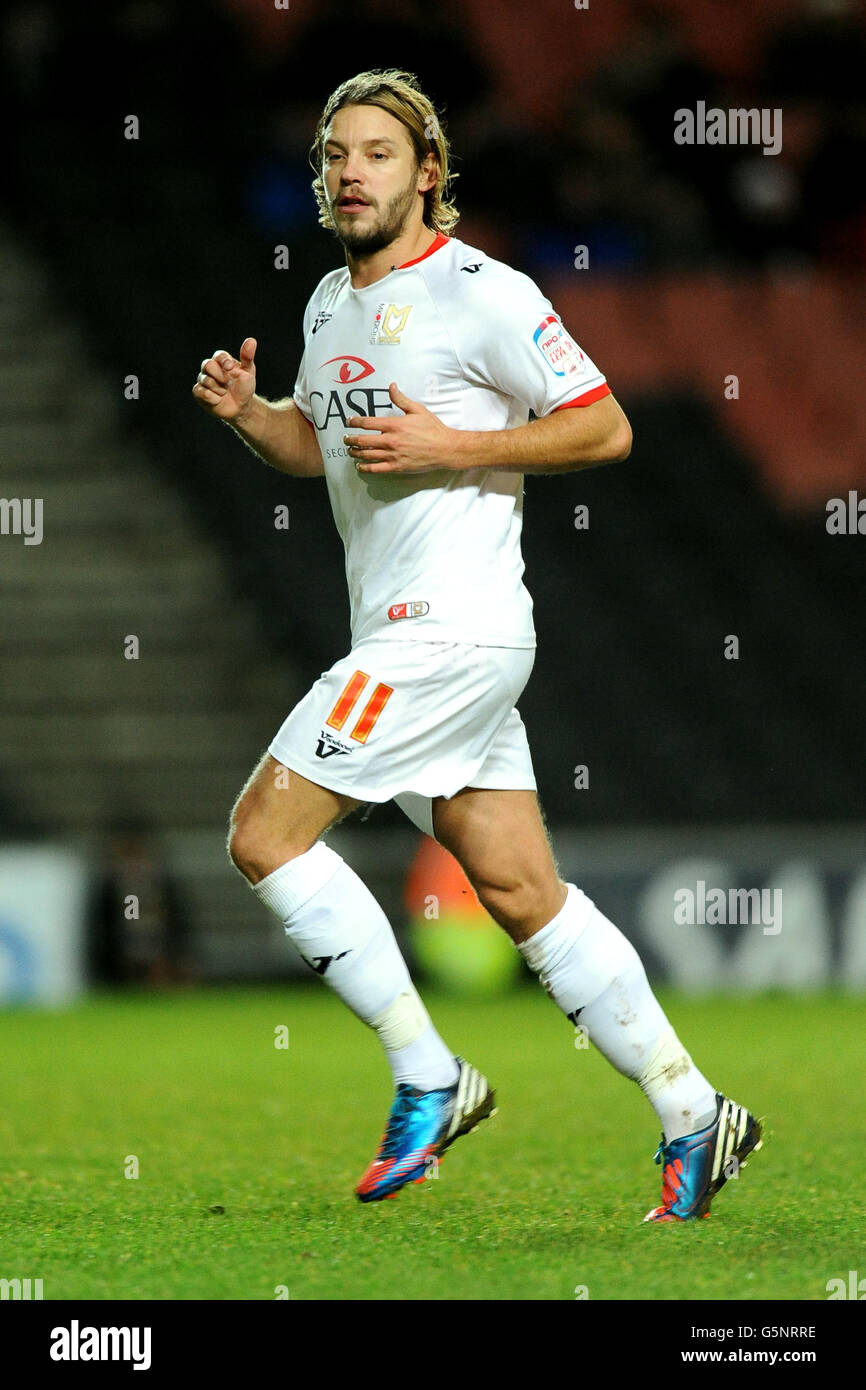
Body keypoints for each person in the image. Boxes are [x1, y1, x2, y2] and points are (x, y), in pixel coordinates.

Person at [192, 69, 761, 1220]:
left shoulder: (479, 292)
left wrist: (456, 445)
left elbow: (604, 425)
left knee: (263, 833)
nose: (350, 171)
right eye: (334, 156)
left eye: (377, 154)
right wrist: (259, 421)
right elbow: (326, 451)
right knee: (520, 889)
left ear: (428, 174)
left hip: (445, 630)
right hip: (423, 638)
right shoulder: (325, 306)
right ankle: (694, 1111)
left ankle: (427, 1072)